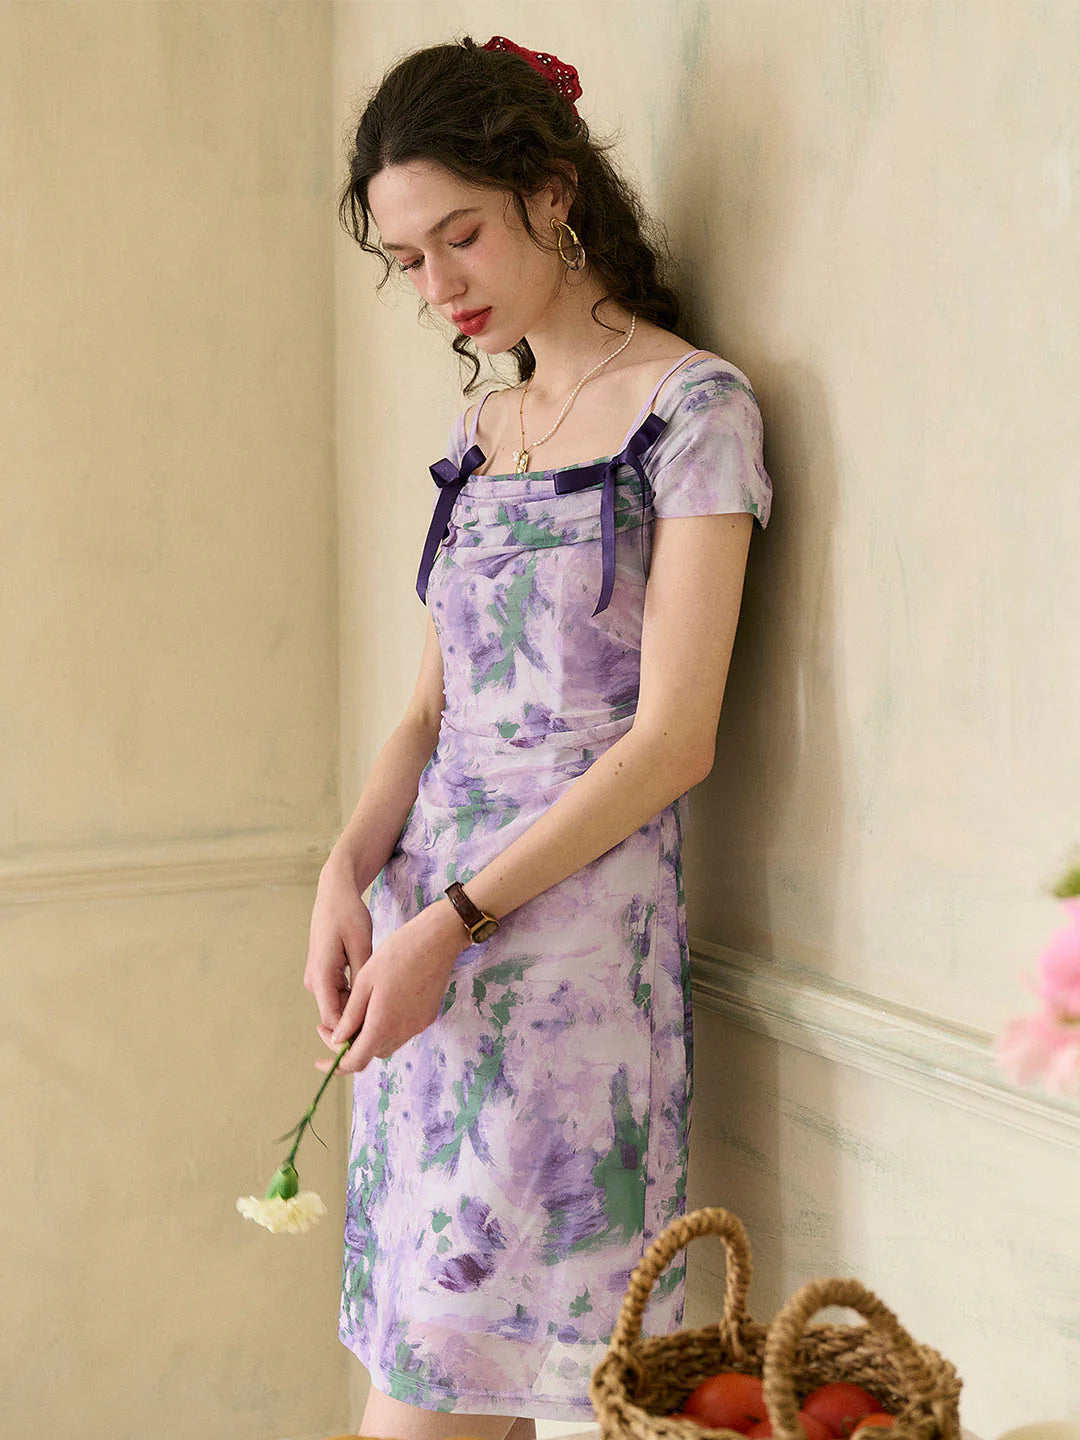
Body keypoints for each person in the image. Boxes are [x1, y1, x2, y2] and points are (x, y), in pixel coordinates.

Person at [304, 34, 772, 1440]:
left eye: (461, 235)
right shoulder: (484, 428)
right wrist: (345, 871)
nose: (439, 285)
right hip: (423, 963)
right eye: (408, 258)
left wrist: (450, 922)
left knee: (460, 1400)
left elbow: (673, 742)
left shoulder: (692, 412)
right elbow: (428, 712)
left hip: (565, 964)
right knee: (436, 1380)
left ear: (553, 193)